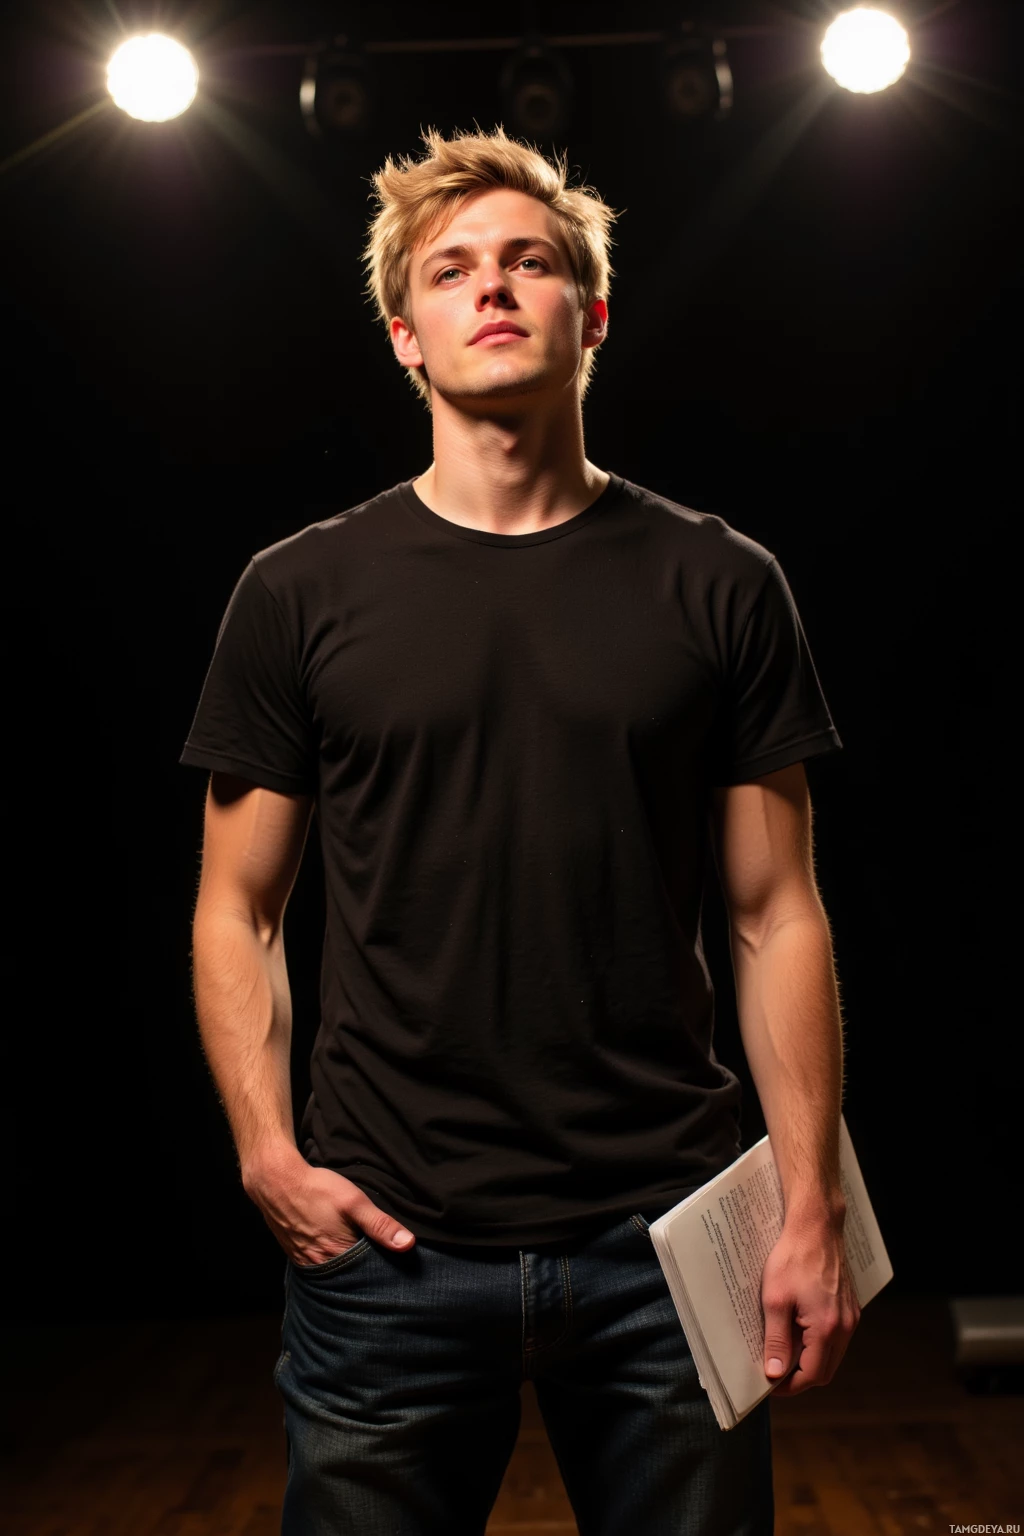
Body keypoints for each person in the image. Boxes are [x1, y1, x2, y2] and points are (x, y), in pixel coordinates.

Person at [180, 124, 860, 1536]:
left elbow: (775, 910)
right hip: (388, 1251)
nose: (492, 288)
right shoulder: (297, 595)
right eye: (451, 271)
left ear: (590, 312)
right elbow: (237, 910)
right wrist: (265, 1156)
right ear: (405, 338)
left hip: (669, 1246)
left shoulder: (720, 582)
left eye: (529, 262)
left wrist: (809, 1207)